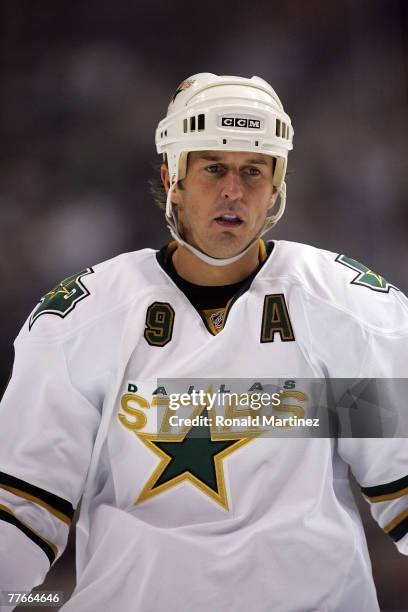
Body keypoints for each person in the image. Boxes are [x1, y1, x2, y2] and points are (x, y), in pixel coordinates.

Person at [0, 73, 407, 612]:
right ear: (173, 176)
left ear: (277, 186)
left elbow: (400, 482)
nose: (233, 191)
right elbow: (23, 515)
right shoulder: (86, 320)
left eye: (253, 171)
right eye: (213, 168)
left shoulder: (342, 309)